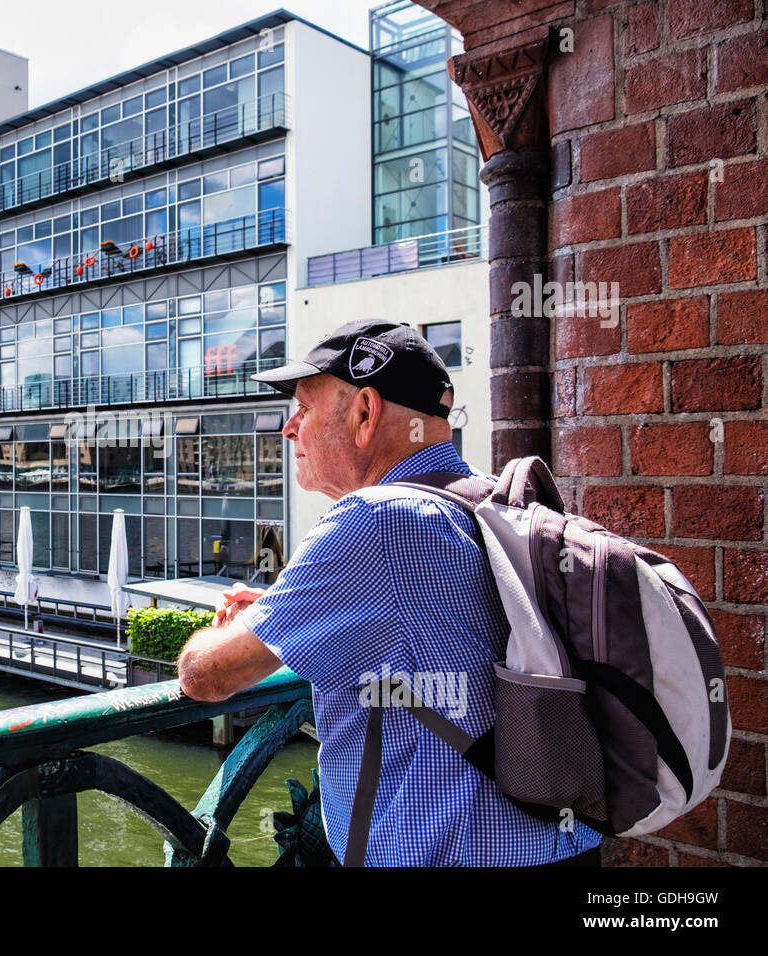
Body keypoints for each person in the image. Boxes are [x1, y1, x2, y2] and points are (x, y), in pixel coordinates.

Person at [177, 319, 602, 867]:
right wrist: (293, 614)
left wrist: (223, 631)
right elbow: (429, 626)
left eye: (303, 409)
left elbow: (207, 677)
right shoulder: (488, 498)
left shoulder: (375, 521)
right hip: (556, 844)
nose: (289, 429)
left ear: (365, 412)